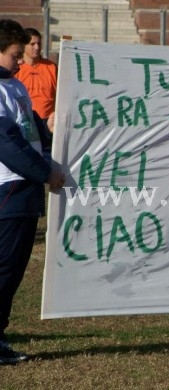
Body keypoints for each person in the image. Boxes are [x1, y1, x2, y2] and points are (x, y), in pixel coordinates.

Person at [0, 19, 65, 365]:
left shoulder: (15, 84)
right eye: (14, 54)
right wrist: (45, 171)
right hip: (9, 186)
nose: (20, 60)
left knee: (12, 270)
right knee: (4, 268)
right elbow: (7, 144)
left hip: (24, 190)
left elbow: (35, 130)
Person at [14, 27, 57, 129]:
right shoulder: (15, 68)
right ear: (23, 45)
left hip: (48, 124)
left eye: (39, 43)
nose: (37, 47)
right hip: (24, 124)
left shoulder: (51, 67)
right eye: (32, 44)